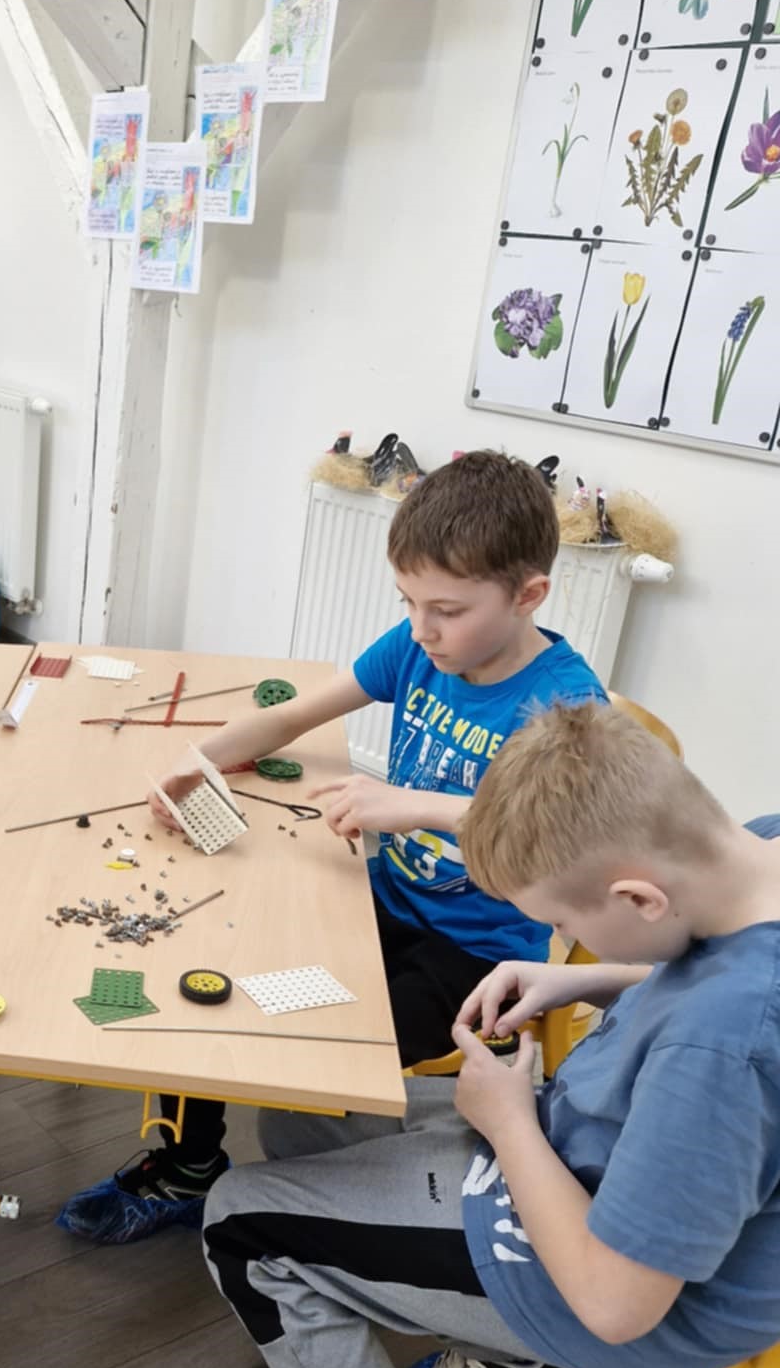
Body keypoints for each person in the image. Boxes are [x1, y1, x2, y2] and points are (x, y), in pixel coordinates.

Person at [201, 701, 780, 1368]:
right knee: (307, 1116)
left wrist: (510, 1123)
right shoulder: (754, 855)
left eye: (566, 921)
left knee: (242, 1226)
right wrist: (590, 981)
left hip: (611, 1284)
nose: (561, 936)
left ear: (638, 895)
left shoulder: (722, 1046)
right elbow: (698, 970)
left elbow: (617, 1302)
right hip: (586, 1156)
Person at [58, 450, 605, 1245]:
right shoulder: (419, 648)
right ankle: (191, 1167)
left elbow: (570, 842)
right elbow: (291, 718)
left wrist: (414, 807)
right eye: (408, 601)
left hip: (480, 959)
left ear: (529, 596)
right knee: (213, 965)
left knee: (310, 1042)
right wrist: (198, 760)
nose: (421, 628)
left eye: (446, 609)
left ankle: (342, 1213)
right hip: (386, 901)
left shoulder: (566, 703)